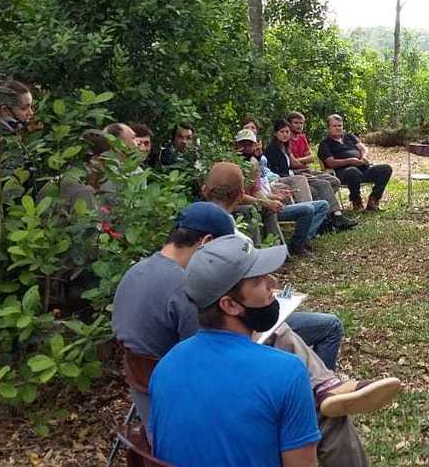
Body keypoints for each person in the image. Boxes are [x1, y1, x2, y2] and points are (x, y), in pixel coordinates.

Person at [148, 233, 322, 467]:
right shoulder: (286, 373)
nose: (274, 284)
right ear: (230, 305)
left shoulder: (166, 366)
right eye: (259, 280)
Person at [202, 162, 348, 369]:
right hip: (243, 329)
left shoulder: (189, 239)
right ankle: (321, 392)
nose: (271, 280)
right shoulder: (237, 241)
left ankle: (324, 386)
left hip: (220, 329)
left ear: (204, 190)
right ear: (240, 194)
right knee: (327, 326)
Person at [237, 128, 329, 254]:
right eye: (243, 144)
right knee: (307, 209)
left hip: (267, 202)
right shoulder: (236, 167)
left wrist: (275, 195)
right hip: (260, 207)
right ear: (236, 145)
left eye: (250, 144)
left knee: (323, 204)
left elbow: (257, 191)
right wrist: (269, 202)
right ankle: (293, 246)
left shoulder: (254, 163)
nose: (247, 147)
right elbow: (241, 196)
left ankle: (301, 241)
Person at [264, 119, 356, 231]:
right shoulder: (272, 150)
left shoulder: (285, 147)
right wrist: (300, 167)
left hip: (297, 173)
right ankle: (334, 217)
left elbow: (301, 161)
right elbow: (276, 172)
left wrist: (300, 167)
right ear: (275, 133)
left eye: (287, 132)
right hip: (286, 179)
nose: (285, 134)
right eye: (282, 132)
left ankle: (327, 217)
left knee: (333, 181)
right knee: (322, 185)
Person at [318, 114, 392, 212]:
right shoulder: (325, 144)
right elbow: (331, 163)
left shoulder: (349, 136)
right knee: (352, 171)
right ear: (328, 128)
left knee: (385, 168)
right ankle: (356, 202)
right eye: (334, 126)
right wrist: (350, 161)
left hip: (362, 169)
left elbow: (363, 148)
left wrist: (363, 156)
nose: (338, 128)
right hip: (342, 173)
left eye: (340, 125)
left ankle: (373, 200)